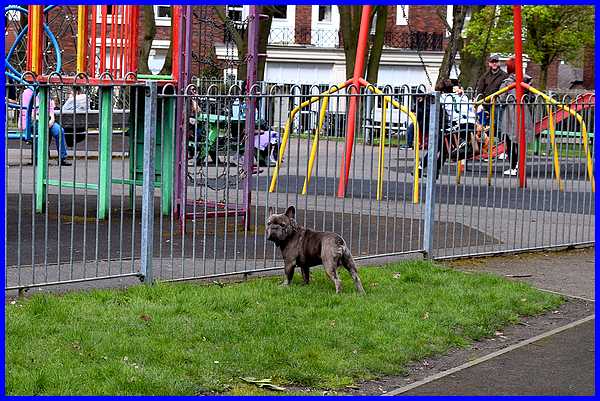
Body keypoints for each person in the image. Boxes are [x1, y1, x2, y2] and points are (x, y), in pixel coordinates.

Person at [497, 57, 534, 176]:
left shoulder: (508, 82)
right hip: (524, 110)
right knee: (520, 139)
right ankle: (519, 163)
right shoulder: (526, 80)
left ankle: (514, 166)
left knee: (510, 139)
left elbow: (501, 98)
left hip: (511, 112)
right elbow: (532, 97)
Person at [20, 87, 71, 166]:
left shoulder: (44, 91)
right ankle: (38, 158)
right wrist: (42, 119)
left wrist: (52, 119)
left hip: (45, 120)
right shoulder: (27, 93)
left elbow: (50, 109)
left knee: (59, 131)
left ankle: (62, 157)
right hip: (31, 121)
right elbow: (27, 112)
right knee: (39, 130)